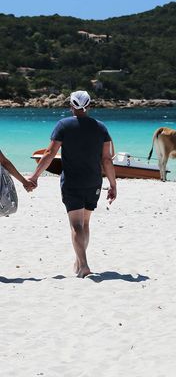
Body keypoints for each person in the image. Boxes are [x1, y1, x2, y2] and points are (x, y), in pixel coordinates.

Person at [29, 90, 117, 278]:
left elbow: (49, 154)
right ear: (89, 106)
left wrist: (34, 177)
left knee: (76, 225)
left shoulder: (63, 125)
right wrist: (113, 184)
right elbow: (107, 160)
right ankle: (79, 263)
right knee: (85, 224)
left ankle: (83, 265)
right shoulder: (100, 127)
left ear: (71, 106)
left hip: (72, 182)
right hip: (93, 182)